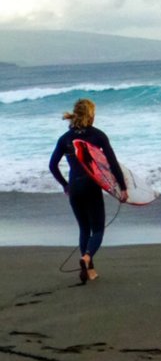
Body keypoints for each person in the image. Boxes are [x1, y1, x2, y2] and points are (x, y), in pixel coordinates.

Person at [48, 98, 127, 284]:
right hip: (91, 187)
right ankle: (87, 257)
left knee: (84, 229)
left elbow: (52, 165)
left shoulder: (65, 138)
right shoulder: (97, 135)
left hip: (74, 187)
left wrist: (65, 185)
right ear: (91, 115)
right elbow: (112, 164)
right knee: (98, 229)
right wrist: (122, 188)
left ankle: (89, 271)